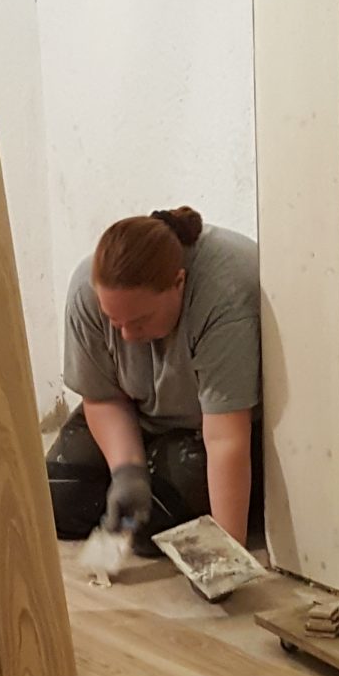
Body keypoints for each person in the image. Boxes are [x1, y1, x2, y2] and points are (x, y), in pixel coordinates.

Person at [47, 206, 261, 556]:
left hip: (206, 427)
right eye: (116, 322)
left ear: (178, 283)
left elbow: (226, 438)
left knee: (153, 528)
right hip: (138, 410)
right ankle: (144, 470)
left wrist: (227, 555)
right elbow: (101, 396)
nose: (128, 336)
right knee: (58, 500)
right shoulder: (87, 291)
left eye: (140, 320)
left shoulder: (225, 296)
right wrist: (127, 471)